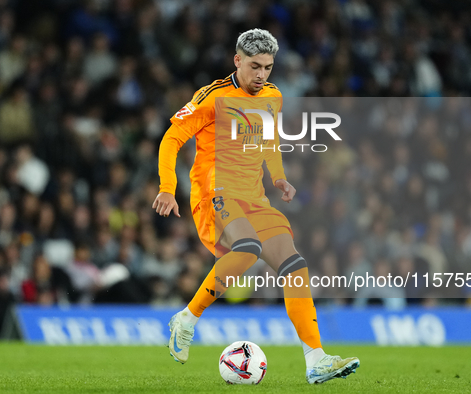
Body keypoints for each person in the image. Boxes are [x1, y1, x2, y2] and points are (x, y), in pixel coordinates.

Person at [152, 29, 359, 384]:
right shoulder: (212, 97)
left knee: (295, 266)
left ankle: (316, 359)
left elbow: (270, 141)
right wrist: (167, 188)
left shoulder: (273, 97)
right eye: (254, 66)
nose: (261, 75)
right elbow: (172, 139)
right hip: (214, 193)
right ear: (237, 60)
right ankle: (186, 319)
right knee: (248, 248)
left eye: (267, 67)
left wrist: (278, 178)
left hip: (253, 198)